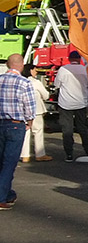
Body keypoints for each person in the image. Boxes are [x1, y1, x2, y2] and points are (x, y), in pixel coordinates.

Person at [1, 53, 36, 209]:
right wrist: (29, 122)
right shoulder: (24, 82)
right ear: (21, 65)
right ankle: (2, 197)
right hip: (16, 124)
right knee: (9, 162)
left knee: (1, 161)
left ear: (8, 65)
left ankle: (8, 193)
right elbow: (29, 106)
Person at [54, 50, 88, 162]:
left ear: (69, 59)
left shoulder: (63, 69)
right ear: (79, 59)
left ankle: (69, 154)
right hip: (81, 102)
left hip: (65, 103)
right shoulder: (85, 69)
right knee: (82, 128)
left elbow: (57, 84)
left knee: (67, 129)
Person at [19, 64, 52, 163]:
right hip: (36, 110)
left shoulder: (20, 81)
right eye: (35, 70)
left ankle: (25, 155)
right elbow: (46, 95)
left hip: (22, 110)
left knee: (25, 132)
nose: (36, 72)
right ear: (30, 70)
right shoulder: (36, 82)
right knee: (37, 131)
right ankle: (40, 154)